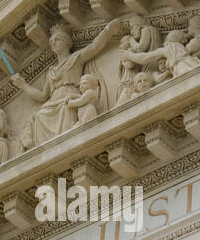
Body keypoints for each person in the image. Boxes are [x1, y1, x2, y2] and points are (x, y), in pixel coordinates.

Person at [12, 18, 122, 148]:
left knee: (66, 107)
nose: (53, 43)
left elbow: (94, 47)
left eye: (57, 39)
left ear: (66, 41)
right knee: (40, 115)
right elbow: (42, 96)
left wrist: (108, 30)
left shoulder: (75, 59)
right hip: (52, 102)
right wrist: (22, 85)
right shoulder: (51, 71)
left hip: (69, 98)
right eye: (51, 41)